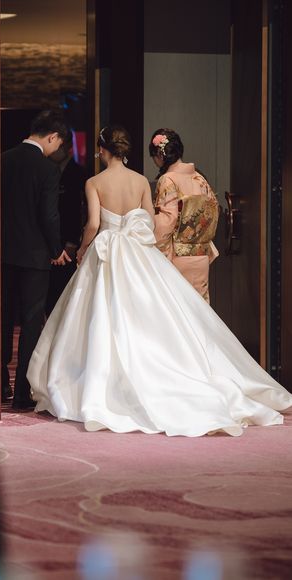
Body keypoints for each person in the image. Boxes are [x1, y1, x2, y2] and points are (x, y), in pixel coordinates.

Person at [27, 126, 292, 437]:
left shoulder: (94, 182)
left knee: (103, 316)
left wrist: (84, 248)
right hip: (139, 253)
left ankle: (105, 382)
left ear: (102, 150)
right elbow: (150, 222)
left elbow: (94, 223)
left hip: (108, 252)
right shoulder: (142, 180)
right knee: (150, 316)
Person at [1, 110, 71, 409]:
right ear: (52, 137)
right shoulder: (47, 169)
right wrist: (56, 250)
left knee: (2, 317)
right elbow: (48, 215)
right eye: (59, 144)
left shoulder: (2, 160)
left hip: (2, 252)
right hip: (35, 255)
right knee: (31, 322)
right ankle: (21, 393)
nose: (57, 150)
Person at [149, 129, 220, 303]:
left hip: (177, 256)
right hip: (201, 256)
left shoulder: (168, 179)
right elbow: (213, 213)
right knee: (200, 309)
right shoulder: (199, 178)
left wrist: (158, 253)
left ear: (160, 155)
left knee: (178, 309)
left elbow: (167, 221)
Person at [45, 131, 87, 315]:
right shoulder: (48, 169)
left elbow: (78, 210)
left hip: (69, 236)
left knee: (64, 285)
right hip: (50, 236)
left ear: (67, 147)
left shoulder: (78, 173)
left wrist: (72, 241)